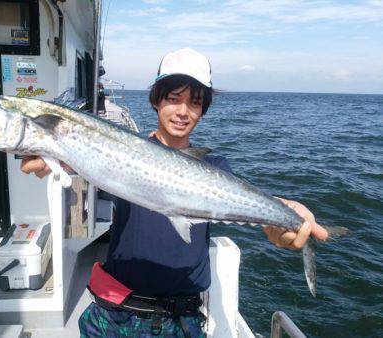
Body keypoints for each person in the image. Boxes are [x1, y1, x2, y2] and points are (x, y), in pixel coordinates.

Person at [21, 48, 328, 337]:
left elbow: (247, 204)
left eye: (194, 102)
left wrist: (282, 216)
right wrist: (56, 157)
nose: (183, 112)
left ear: (203, 109)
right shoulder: (119, 151)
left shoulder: (214, 166)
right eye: (173, 98)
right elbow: (84, 161)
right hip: (116, 313)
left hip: (182, 322)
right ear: (156, 100)